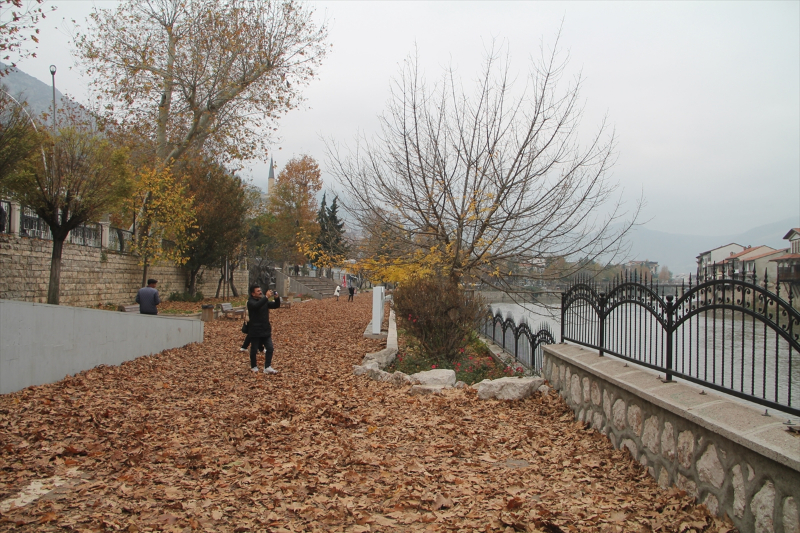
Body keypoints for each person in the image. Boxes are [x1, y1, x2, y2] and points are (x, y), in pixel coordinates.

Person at [246, 284, 281, 374]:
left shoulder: (263, 301)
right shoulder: (250, 302)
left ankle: (267, 367)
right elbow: (256, 306)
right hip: (255, 330)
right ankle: (254, 366)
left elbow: (275, 305)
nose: (260, 292)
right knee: (254, 349)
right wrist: (266, 297)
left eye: (260, 290)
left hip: (265, 330)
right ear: (253, 294)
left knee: (270, 348)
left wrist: (277, 298)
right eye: (258, 291)